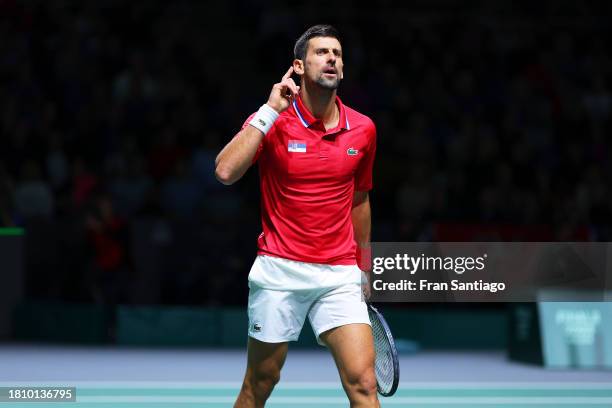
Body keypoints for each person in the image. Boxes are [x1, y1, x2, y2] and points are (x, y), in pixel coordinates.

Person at [215, 24, 378, 408]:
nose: (332, 59)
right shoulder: (275, 122)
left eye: (337, 54)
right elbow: (225, 172)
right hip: (280, 271)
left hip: (338, 274)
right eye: (322, 52)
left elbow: (360, 201)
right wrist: (270, 109)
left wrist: (363, 266)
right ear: (299, 66)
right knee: (260, 383)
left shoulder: (363, 129)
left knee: (364, 383)